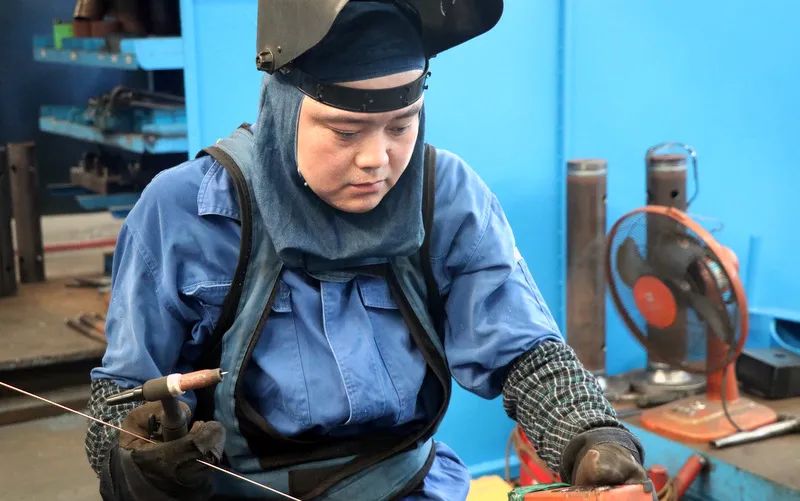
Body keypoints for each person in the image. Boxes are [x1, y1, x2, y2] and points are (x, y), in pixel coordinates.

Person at [85, 1, 648, 499]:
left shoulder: (445, 197)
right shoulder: (187, 211)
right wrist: (138, 460)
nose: (377, 159)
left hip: (408, 488)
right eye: (346, 132)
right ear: (284, 110)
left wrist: (589, 436)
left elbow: (526, 355)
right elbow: (120, 396)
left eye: (401, 125)